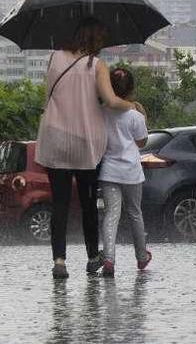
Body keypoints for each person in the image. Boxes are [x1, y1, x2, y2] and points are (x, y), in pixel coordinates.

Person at [36, 17, 144, 279]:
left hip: (55, 138)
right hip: (85, 142)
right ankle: (92, 255)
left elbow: (47, 95)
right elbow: (109, 100)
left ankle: (59, 261)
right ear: (95, 39)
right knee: (87, 203)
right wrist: (133, 105)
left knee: (59, 204)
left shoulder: (55, 58)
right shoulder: (96, 65)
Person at [99, 67, 151, 277]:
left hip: (109, 171)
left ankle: (109, 259)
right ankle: (141, 256)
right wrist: (143, 117)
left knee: (111, 214)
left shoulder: (101, 112)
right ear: (131, 89)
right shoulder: (135, 115)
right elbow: (142, 142)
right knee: (135, 214)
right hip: (131, 173)